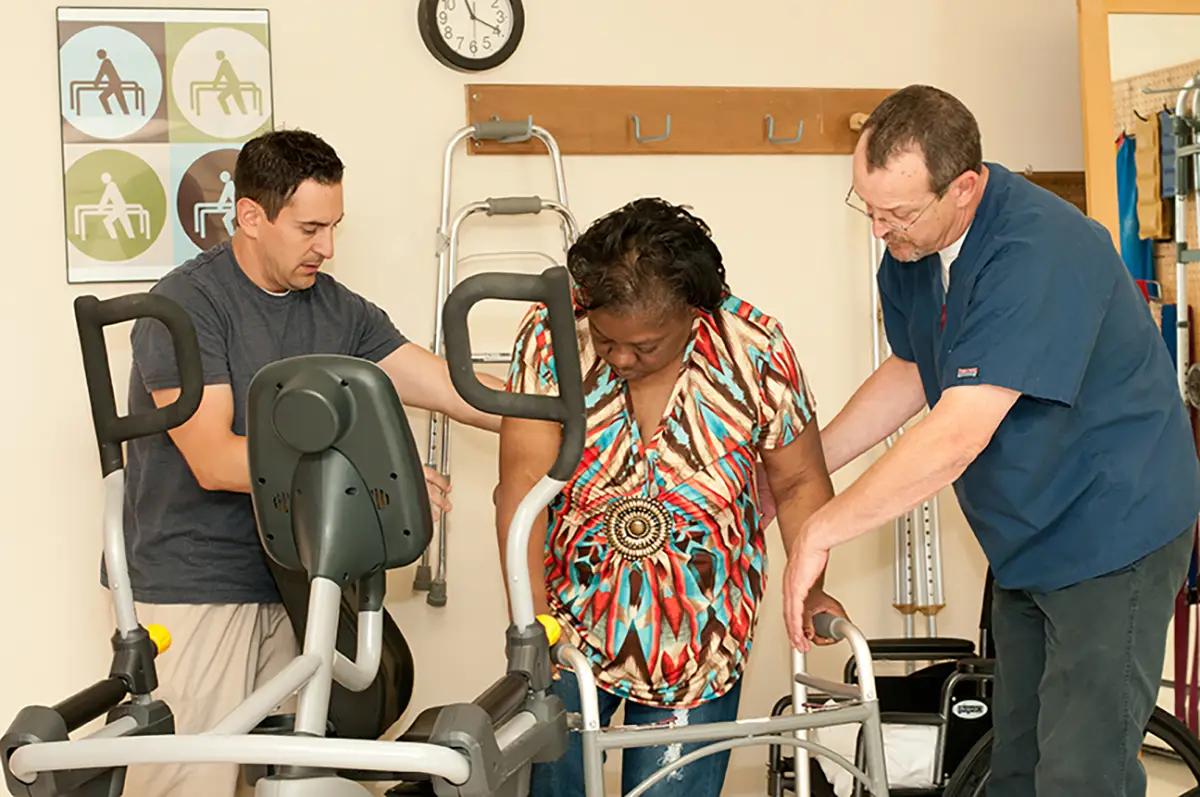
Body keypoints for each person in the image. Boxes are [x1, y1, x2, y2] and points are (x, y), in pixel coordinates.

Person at [783, 84, 1200, 797]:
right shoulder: (918, 244)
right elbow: (916, 367)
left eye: (898, 212)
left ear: (965, 187)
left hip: (1111, 532)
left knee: (1081, 771)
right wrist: (797, 467)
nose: (882, 229)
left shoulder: (1041, 248)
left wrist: (823, 526)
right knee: (1015, 764)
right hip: (1026, 539)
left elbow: (955, 434)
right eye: (869, 207)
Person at [111, 128, 504, 797]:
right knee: (188, 781)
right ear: (251, 216)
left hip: (301, 579)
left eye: (335, 227)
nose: (326, 247)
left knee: (301, 777)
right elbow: (213, 459)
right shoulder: (187, 305)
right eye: (310, 228)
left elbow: (451, 388)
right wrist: (377, 478)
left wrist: (552, 411)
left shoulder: (336, 308)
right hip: (200, 579)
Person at [495, 197, 848, 797]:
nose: (622, 358)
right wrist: (531, 627)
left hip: (700, 643)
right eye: (608, 340)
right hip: (567, 630)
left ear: (692, 312)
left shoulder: (754, 349)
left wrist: (808, 581)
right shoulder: (553, 331)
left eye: (646, 345)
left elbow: (798, 481)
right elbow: (522, 489)